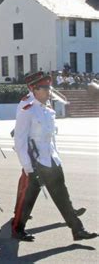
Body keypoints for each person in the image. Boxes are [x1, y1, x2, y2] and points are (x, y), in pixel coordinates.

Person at [12, 74, 97, 241]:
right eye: (44, 88)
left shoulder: (48, 110)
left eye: (49, 88)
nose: (48, 91)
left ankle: (77, 230)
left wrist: (56, 157)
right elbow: (20, 140)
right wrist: (27, 166)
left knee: (62, 196)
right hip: (37, 162)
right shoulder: (27, 109)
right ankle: (17, 228)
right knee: (28, 198)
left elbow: (51, 139)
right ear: (34, 90)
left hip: (51, 159)